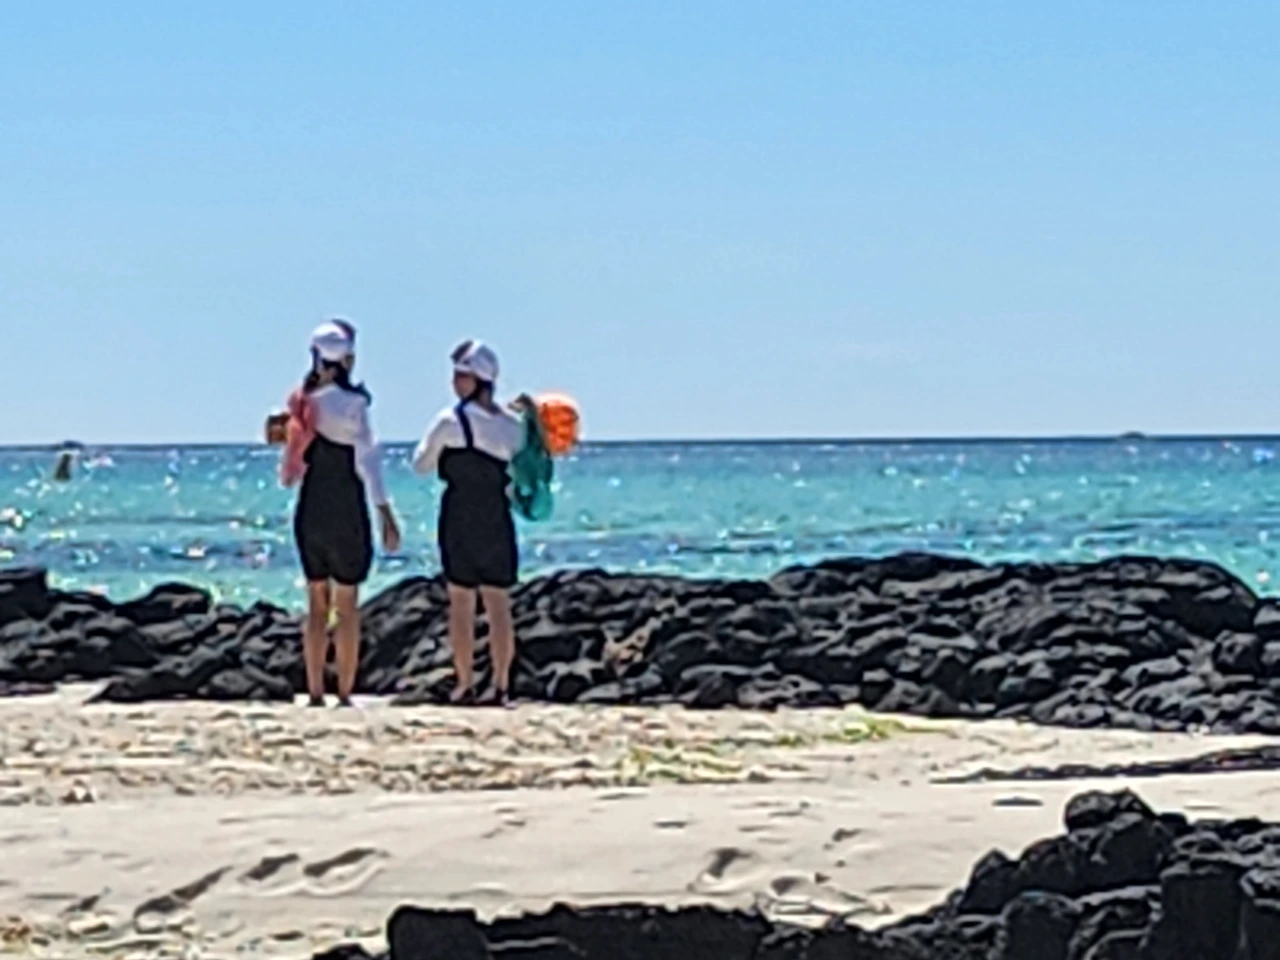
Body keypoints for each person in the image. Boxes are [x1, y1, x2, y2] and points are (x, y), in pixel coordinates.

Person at [282, 321, 401, 707]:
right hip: (346, 505)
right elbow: (368, 460)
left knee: (316, 605)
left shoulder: (303, 401)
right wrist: (385, 512)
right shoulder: (354, 404)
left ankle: (315, 691)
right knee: (347, 607)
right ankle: (345, 692)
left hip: (311, 505)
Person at [413, 340, 527, 705]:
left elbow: (421, 464)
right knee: (498, 604)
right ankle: (501, 682)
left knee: (461, 602)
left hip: (459, 516)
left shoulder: (450, 421)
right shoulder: (512, 425)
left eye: (462, 375)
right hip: (496, 516)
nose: (455, 382)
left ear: (477, 380)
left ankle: (464, 682)